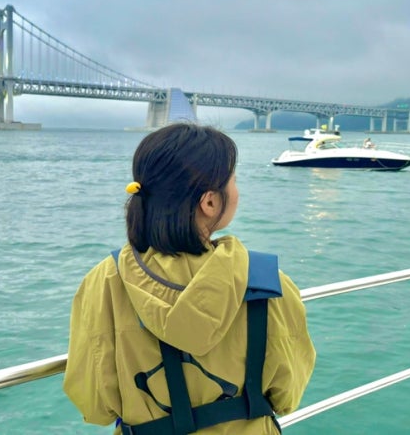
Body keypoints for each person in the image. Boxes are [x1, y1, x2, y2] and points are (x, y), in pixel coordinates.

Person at [64, 123, 315, 434]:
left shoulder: (104, 281)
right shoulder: (265, 281)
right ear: (209, 202)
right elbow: (288, 394)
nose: (237, 190)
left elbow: (94, 404)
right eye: (234, 180)